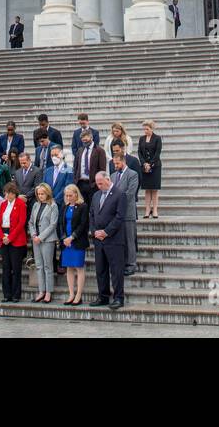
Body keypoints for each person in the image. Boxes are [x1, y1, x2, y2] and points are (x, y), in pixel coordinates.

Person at [89, 171, 127, 310]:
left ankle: (118, 298)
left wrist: (106, 232)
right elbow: (92, 214)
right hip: (99, 240)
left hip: (114, 240)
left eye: (100, 183)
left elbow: (119, 217)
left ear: (108, 179)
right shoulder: (96, 195)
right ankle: (103, 296)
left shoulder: (119, 194)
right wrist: (94, 232)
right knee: (101, 270)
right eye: (97, 183)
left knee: (116, 271)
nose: (98, 186)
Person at [109, 143, 140, 276]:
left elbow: (130, 194)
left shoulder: (132, 174)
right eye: (114, 164)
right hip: (116, 214)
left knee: (129, 240)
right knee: (120, 241)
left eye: (117, 164)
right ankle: (122, 262)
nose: (115, 166)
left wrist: (116, 203)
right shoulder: (113, 176)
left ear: (123, 161)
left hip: (127, 213)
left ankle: (131, 264)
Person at [58, 183, 89, 305]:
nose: (68, 197)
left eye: (70, 195)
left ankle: (78, 295)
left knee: (79, 268)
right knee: (69, 268)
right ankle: (71, 293)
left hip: (77, 241)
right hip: (66, 242)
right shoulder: (65, 207)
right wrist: (65, 238)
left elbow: (83, 225)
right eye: (66, 195)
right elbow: (61, 223)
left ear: (76, 194)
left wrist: (72, 237)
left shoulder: (83, 206)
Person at [0, 181, 28, 303]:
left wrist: (10, 237)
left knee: (16, 269)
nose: (7, 195)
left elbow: (21, 223)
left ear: (14, 193)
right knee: (6, 268)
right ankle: (7, 294)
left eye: (9, 193)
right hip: (4, 238)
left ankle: (16, 294)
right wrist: (2, 237)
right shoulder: (3, 204)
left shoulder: (21, 204)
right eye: (6, 193)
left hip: (16, 240)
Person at [28, 183, 58, 303]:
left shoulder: (53, 206)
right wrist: (34, 235)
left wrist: (40, 237)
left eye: (42, 194)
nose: (40, 196)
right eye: (39, 194)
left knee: (47, 266)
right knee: (39, 266)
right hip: (36, 239)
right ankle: (41, 291)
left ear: (47, 193)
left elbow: (53, 224)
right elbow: (30, 222)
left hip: (47, 239)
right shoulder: (35, 205)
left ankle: (48, 292)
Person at [73, 127, 107, 205]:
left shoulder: (99, 151)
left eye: (86, 139)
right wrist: (75, 180)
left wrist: (97, 183)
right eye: (83, 140)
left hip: (93, 184)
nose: (84, 141)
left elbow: (102, 169)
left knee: (93, 207)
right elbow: (76, 167)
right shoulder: (80, 150)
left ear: (91, 138)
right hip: (80, 183)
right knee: (82, 207)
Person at [138, 120, 163, 218]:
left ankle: (155, 209)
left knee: (155, 189)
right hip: (144, 167)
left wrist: (150, 164)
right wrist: (144, 163)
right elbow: (139, 152)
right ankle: (147, 209)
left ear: (152, 129)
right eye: (144, 129)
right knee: (147, 189)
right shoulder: (142, 138)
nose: (145, 131)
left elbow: (157, 153)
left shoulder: (157, 138)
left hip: (155, 166)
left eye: (147, 129)